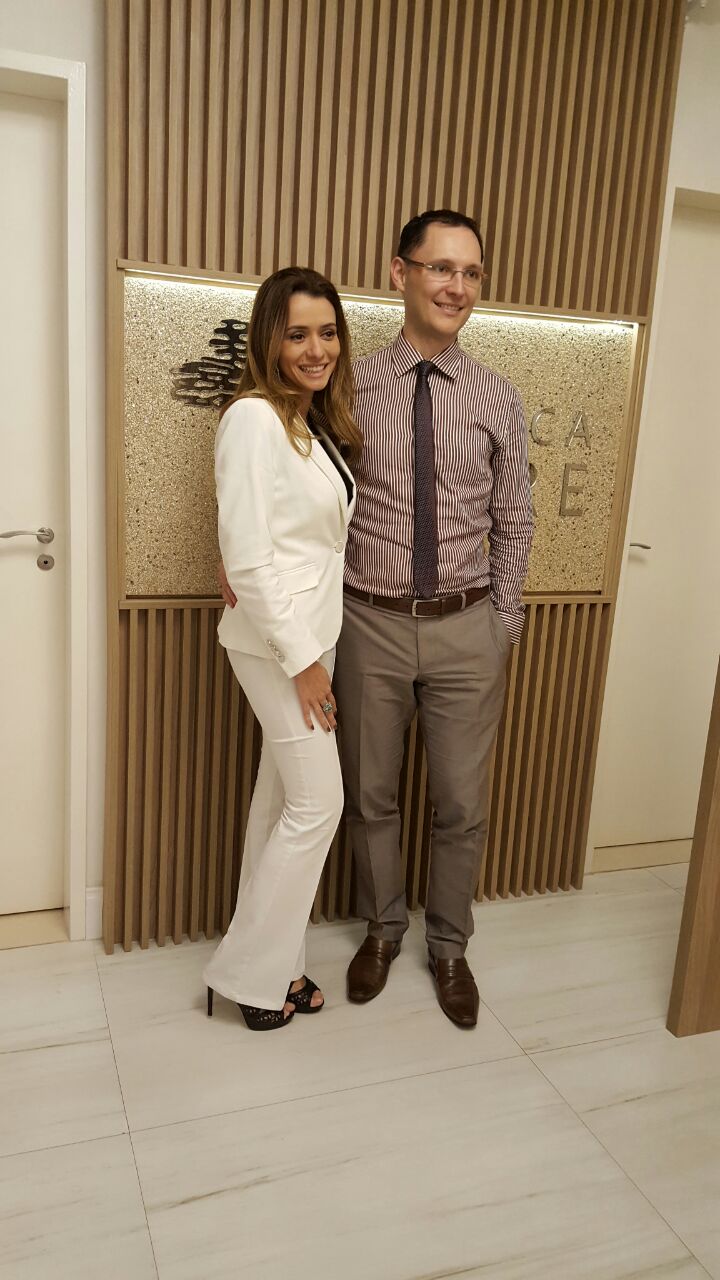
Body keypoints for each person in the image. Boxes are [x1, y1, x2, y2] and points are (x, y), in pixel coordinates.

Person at [336, 209, 533, 1028]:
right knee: (369, 795)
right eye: (441, 268)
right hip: (368, 623)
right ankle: (383, 930)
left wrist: (502, 623)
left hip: (466, 626)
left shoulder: (496, 395)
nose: (457, 286)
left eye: (471, 273)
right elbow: (311, 501)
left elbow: (514, 519)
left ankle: (449, 947)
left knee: (461, 804)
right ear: (401, 273)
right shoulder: (347, 387)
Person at [204, 266, 359, 1031]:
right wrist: (303, 663)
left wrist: (313, 650)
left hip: (307, 636)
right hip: (277, 645)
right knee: (318, 804)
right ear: (269, 338)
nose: (315, 348)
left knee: (279, 803)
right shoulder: (253, 419)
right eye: (297, 334)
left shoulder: (306, 420)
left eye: (327, 332)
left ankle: (278, 967)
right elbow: (247, 557)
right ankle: (246, 971)